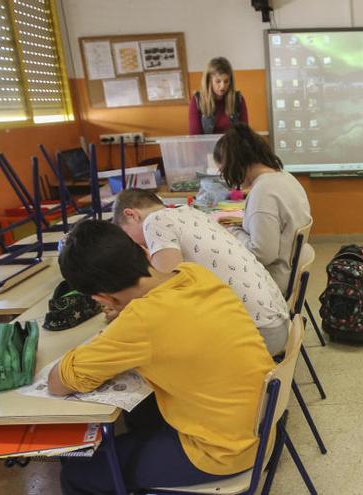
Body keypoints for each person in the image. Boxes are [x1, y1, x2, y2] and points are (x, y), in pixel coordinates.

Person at [47, 220, 275, 494]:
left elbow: (59, 383)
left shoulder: (140, 320)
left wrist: (122, 322)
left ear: (103, 299)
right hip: (260, 429)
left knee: (78, 470)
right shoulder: (194, 274)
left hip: (220, 452)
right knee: (142, 411)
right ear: (143, 251)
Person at [113, 188, 290, 355]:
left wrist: (124, 305)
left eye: (127, 235)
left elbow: (166, 294)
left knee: (162, 348)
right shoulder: (191, 212)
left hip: (258, 336)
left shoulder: (154, 221)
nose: (135, 246)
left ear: (131, 214)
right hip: (278, 323)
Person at [214, 123, 312, 296]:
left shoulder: (264, 192)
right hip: (288, 272)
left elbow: (262, 254)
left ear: (234, 163)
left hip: (270, 282)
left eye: (223, 170)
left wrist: (233, 232)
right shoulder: (285, 177)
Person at [189, 57, 248, 135]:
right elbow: (195, 138)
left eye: (226, 81)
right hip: (207, 147)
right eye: (218, 81)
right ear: (209, 81)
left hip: (233, 146)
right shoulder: (197, 101)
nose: (222, 86)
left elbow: (245, 134)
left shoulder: (238, 100)